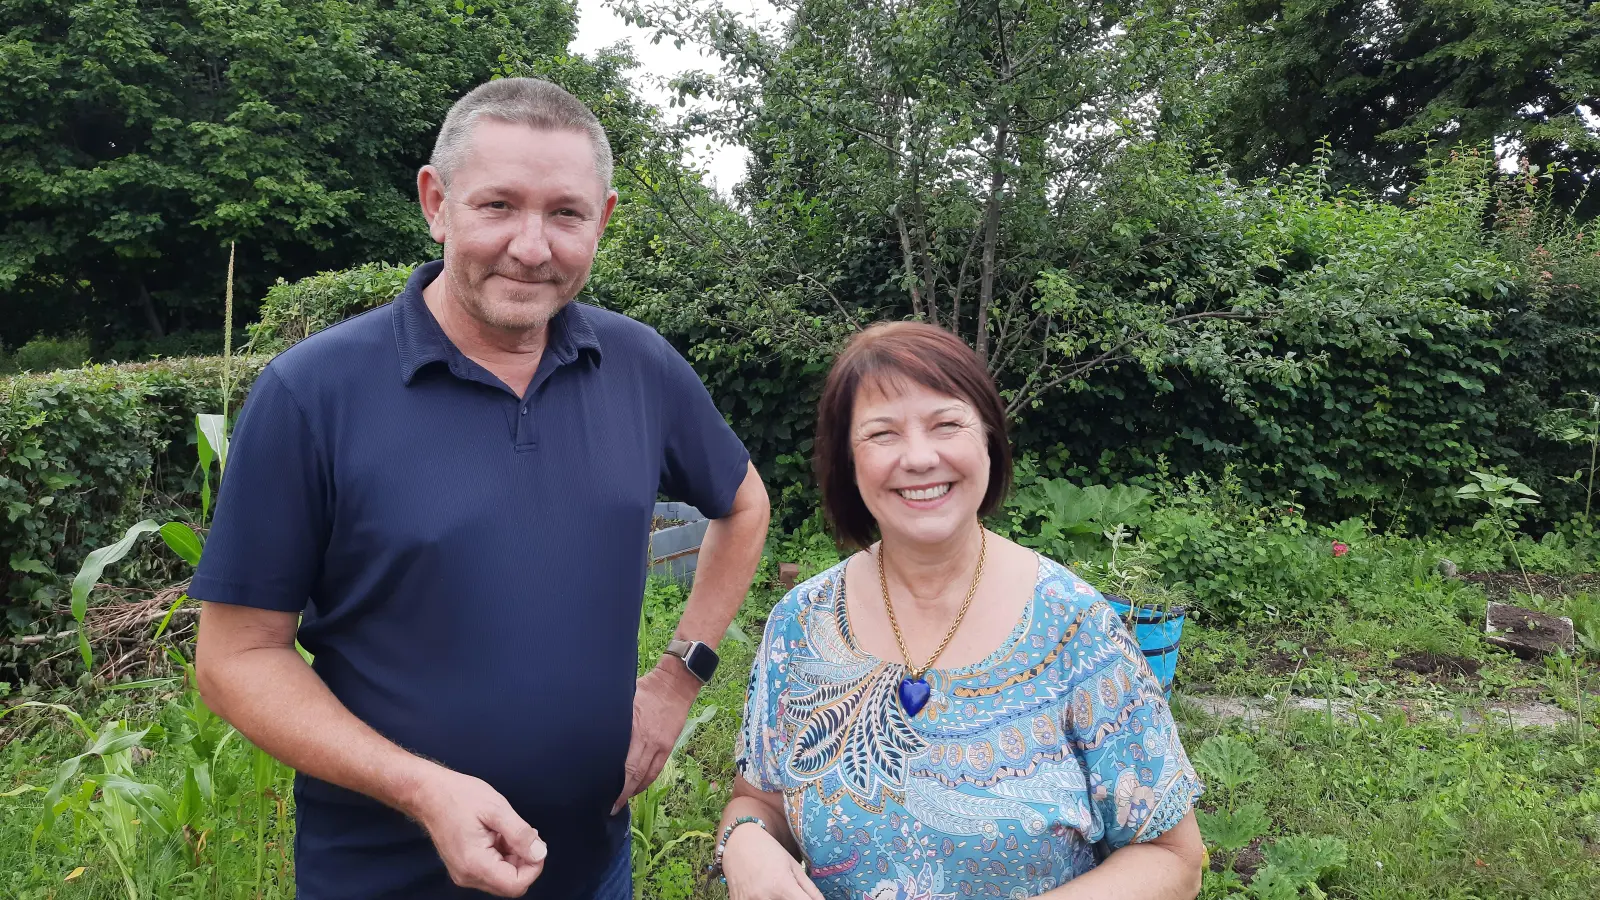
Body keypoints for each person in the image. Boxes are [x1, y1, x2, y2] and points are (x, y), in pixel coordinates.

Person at [192, 78, 770, 899]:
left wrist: (678, 679)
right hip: (383, 878)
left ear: (602, 220)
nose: (532, 247)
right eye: (498, 205)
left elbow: (744, 504)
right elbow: (234, 657)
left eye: (566, 214)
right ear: (437, 201)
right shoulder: (312, 394)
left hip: (594, 869)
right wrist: (421, 788)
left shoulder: (638, 365)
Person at [716, 322, 1204, 900]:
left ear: (990, 442)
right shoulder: (802, 623)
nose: (920, 457)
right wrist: (744, 841)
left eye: (947, 424)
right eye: (882, 433)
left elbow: (1173, 857)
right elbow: (759, 799)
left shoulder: (1074, 626)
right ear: (847, 461)